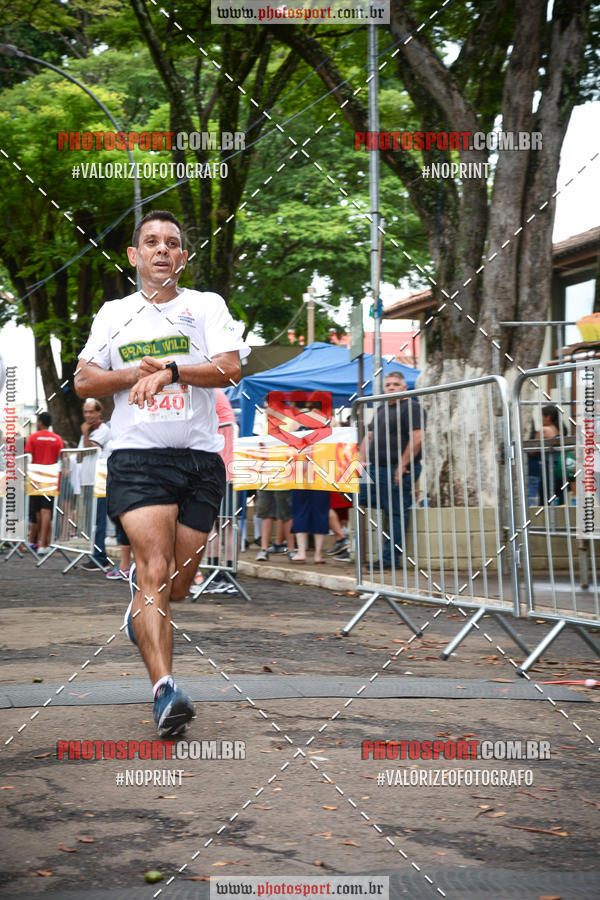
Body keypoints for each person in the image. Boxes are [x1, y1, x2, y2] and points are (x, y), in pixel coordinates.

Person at [74, 209, 249, 737]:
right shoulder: (114, 313)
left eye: (172, 243)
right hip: (138, 459)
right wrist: (133, 376)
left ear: (183, 256)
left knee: (177, 586)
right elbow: (85, 380)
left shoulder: (205, 306)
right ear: (134, 256)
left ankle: (141, 614)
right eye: (151, 242)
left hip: (199, 461)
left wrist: (171, 371)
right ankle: (165, 691)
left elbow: (230, 367)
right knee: (152, 569)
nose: (162, 250)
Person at [359, 371, 424, 569]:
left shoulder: (411, 407)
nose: (391, 388)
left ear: (404, 388)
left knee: (396, 512)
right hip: (375, 469)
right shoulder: (381, 409)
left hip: (397, 469)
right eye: (388, 385)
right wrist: (360, 461)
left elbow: (418, 437)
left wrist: (403, 465)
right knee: (357, 497)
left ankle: (389, 559)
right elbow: (368, 436)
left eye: (396, 384)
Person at [78, 398, 112, 571]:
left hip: (99, 480)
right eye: (86, 412)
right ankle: (95, 554)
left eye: (92, 411)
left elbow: (89, 448)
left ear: (99, 412)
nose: (88, 415)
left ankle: (100, 557)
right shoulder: (89, 430)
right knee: (90, 521)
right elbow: (79, 455)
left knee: (98, 521)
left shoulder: (103, 430)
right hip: (87, 479)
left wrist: (84, 434)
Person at [24, 412, 64, 553]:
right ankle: (43, 543)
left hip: (35, 478)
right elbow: (61, 458)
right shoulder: (57, 439)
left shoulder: (33, 437)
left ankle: (40, 542)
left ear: (40, 422)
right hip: (51, 479)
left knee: (37, 512)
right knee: (47, 510)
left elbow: (28, 456)